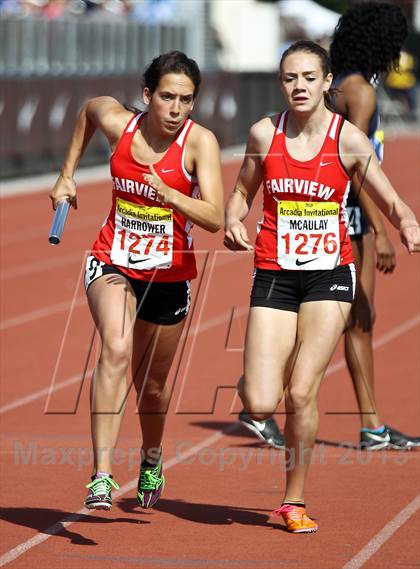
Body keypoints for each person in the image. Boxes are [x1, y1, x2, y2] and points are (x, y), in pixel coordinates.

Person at [224, 40, 420, 533]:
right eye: (291, 78)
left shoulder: (347, 138)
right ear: (280, 84)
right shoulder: (264, 134)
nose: (300, 87)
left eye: (310, 77)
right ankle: (256, 381)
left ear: (327, 81)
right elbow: (244, 188)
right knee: (263, 401)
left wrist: (408, 222)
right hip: (274, 271)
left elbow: (390, 197)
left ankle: (293, 500)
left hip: (330, 274)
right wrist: (232, 219)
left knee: (302, 389)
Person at [50, 51, 224, 511]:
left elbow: (215, 218)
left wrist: (173, 197)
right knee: (116, 348)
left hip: (171, 275)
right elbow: (90, 108)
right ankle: (102, 474)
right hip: (114, 258)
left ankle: (151, 458)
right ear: (147, 96)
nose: (175, 109)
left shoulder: (198, 143)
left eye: (186, 100)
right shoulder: (120, 124)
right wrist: (66, 174)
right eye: (167, 97)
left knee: (151, 386)